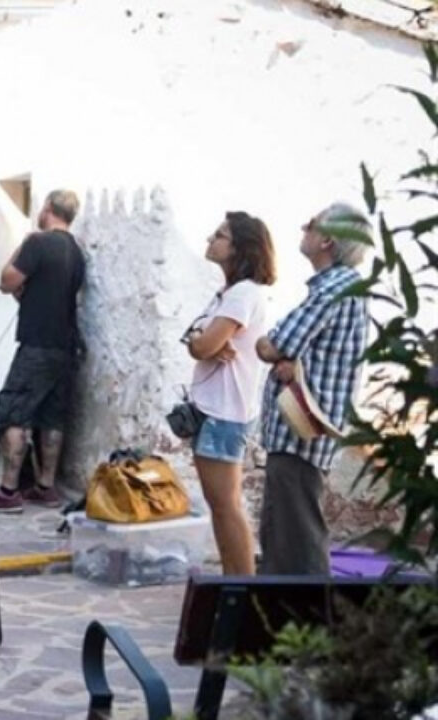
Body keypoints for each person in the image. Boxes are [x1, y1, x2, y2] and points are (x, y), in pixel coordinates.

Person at [255, 203, 370, 575]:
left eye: (312, 224)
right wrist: (286, 358)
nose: (304, 228)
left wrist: (279, 353)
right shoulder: (340, 286)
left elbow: (273, 346)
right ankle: (285, 606)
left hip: (300, 432)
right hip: (302, 431)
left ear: (328, 240)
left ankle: (310, 608)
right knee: (283, 534)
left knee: (296, 538)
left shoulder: (333, 289)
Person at [0, 190, 85, 514]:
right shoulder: (76, 251)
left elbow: (7, 281)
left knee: (14, 411)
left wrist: (21, 246)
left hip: (36, 343)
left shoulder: (38, 243)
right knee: (52, 416)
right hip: (65, 344)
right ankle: (45, 486)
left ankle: (8, 491)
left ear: (47, 208)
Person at [182, 212, 277, 576]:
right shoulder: (228, 293)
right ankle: (233, 581)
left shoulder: (242, 294)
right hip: (215, 410)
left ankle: (241, 584)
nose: (211, 239)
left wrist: (202, 342)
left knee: (226, 506)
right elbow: (195, 337)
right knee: (221, 505)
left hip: (224, 413)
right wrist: (200, 340)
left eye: (220, 235)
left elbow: (203, 345)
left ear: (240, 248)